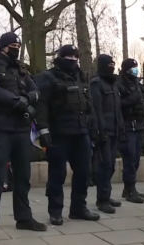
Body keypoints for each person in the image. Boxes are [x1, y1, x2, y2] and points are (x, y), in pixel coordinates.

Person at [0, 32, 47, 239]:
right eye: (13, 44)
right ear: (3, 47)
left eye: (18, 44)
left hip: (22, 131)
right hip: (1, 130)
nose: (17, 47)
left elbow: (36, 92)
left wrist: (26, 98)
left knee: (23, 178)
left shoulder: (23, 71)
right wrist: (18, 101)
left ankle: (24, 218)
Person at [34, 45, 100, 225]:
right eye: (69, 57)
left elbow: (89, 106)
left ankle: (78, 208)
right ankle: (55, 211)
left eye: (75, 57)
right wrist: (43, 131)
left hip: (81, 132)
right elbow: (41, 107)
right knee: (57, 174)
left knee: (84, 172)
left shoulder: (81, 76)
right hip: (58, 134)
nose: (72, 60)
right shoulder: (48, 78)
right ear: (60, 58)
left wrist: (94, 129)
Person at [90, 54, 125, 214]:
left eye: (113, 64)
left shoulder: (113, 84)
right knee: (105, 166)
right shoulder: (96, 84)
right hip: (104, 132)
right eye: (109, 64)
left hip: (114, 130)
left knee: (110, 167)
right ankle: (102, 200)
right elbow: (97, 110)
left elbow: (117, 109)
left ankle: (106, 195)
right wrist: (100, 131)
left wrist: (121, 128)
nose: (112, 66)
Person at [117, 59, 144, 203]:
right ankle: (130, 190)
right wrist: (131, 100)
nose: (135, 70)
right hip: (128, 126)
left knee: (136, 160)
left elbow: (143, 100)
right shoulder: (119, 84)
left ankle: (128, 188)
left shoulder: (137, 84)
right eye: (133, 68)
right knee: (129, 159)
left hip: (139, 125)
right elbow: (117, 104)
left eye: (136, 67)